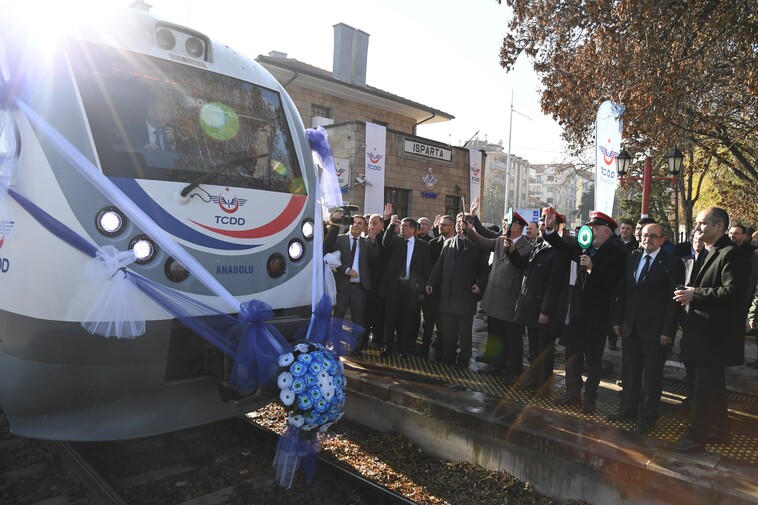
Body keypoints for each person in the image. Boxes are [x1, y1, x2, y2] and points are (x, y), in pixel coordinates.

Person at [670, 207, 749, 453]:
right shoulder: (711, 251)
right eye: (697, 223)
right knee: (714, 387)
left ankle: (695, 438)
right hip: (703, 333)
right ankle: (722, 431)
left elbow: (734, 292)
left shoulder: (730, 254)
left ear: (719, 227)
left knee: (704, 389)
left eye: (703, 223)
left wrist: (696, 294)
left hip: (714, 336)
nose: (697, 228)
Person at [543, 210, 626, 413]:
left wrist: (592, 268)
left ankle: (589, 399)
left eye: (595, 228)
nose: (591, 231)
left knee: (593, 361)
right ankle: (572, 395)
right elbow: (564, 249)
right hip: (576, 313)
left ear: (607, 232)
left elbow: (613, 282)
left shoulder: (617, 252)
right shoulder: (585, 247)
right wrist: (549, 230)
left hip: (596, 317)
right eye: (591, 228)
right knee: (572, 357)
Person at [608, 223, 684, 433]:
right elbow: (623, 292)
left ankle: (648, 416)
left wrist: (668, 331)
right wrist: (617, 321)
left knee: (652, 376)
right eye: (644, 235)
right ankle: (627, 409)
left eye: (653, 236)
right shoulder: (632, 258)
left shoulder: (673, 262)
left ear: (662, 240)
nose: (647, 239)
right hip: (630, 326)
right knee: (630, 372)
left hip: (656, 330)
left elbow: (673, 301)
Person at [506, 209, 569, 397]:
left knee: (544, 351)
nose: (541, 227)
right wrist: (511, 250)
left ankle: (544, 386)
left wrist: (546, 310)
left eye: (545, 224)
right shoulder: (539, 245)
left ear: (556, 227)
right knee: (534, 350)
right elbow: (524, 265)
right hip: (530, 306)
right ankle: (533, 380)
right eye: (541, 224)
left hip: (543, 309)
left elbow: (554, 284)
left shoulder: (558, 250)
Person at [466, 210, 533, 383]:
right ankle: (496, 364)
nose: (504, 225)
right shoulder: (500, 240)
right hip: (494, 295)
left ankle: (514, 368)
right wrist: (469, 230)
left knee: (512, 337)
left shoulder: (527, 247)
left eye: (507, 223)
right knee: (496, 333)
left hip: (510, 299)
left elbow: (523, 271)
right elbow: (484, 242)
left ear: (517, 227)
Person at [426, 214, 489, 369]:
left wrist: (479, 285)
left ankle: (463, 358)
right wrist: (431, 281)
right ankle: (449, 356)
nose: (461, 226)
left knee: (464, 332)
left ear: (469, 226)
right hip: (448, 295)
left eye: (464, 223)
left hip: (465, 296)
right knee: (448, 331)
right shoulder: (448, 243)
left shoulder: (476, 246)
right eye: (459, 223)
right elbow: (439, 266)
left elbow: (484, 270)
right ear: (455, 226)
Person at [323, 212, 379, 354]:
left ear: (364, 227)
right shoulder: (340, 240)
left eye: (359, 223)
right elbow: (330, 258)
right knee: (337, 317)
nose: (355, 225)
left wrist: (373, 240)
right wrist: (346, 270)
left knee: (358, 319)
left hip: (359, 288)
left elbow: (375, 256)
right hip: (342, 286)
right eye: (354, 222)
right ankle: (334, 346)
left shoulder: (366, 242)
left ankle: (354, 347)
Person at [379, 216, 431, 357]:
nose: (402, 228)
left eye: (406, 226)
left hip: (411, 289)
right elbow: (385, 241)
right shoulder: (396, 241)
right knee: (390, 319)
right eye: (401, 225)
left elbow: (426, 269)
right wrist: (391, 223)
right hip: (394, 288)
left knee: (408, 320)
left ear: (413, 229)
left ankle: (404, 349)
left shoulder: (423, 246)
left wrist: (422, 290)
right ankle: (388, 347)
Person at [417, 215, 456, 359]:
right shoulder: (433, 244)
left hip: (450, 291)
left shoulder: (459, 244)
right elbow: (427, 266)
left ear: (452, 227)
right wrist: (428, 284)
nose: (441, 227)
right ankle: (424, 346)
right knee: (428, 320)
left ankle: (446, 349)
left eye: (444, 225)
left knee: (446, 322)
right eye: (440, 225)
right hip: (433, 289)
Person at [364, 205, 392, 349]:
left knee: (380, 314)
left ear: (382, 225)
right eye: (370, 223)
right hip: (366, 283)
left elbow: (385, 241)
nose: (371, 226)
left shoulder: (385, 239)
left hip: (381, 284)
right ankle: (363, 339)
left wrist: (386, 219)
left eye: (375, 223)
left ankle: (378, 339)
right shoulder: (364, 238)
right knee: (366, 313)